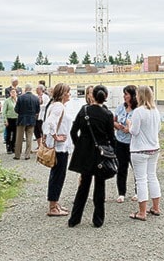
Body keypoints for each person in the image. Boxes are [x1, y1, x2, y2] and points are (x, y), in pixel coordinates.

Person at [68, 85, 115, 228]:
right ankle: (98, 219)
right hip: (100, 154)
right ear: (105, 97)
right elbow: (111, 138)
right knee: (100, 186)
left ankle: (74, 219)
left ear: (93, 96)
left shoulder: (84, 110)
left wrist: (80, 145)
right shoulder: (107, 114)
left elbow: (73, 131)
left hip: (85, 153)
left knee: (83, 187)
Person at [128, 85, 162, 221]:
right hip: (154, 148)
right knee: (152, 177)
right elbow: (158, 128)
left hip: (139, 149)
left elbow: (134, 131)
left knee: (141, 180)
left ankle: (142, 212)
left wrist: (129, 124)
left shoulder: (138, 112)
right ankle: (156, 207)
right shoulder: (156, 111)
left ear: (140, 96)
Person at [44, 82, 73, 217]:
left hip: (60, 145)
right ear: (63, 94)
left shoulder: (56, 105)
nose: (70, 94)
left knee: (57, 174)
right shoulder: (59, 107)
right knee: (58, 175)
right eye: (68, 91)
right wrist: (55, 135)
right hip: (59, 147)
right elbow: (50, 122)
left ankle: (55, 203)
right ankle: (53, 206)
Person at [113, 85, 137, 202]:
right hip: (120, 141)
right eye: (124, 94)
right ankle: (121, 192)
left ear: (132, 96)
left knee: (136, 168)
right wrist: (117, 125)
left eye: (126, 94)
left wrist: (130, 129)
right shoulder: (120, 108)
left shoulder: (138, 110)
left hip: (133, 143)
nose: (124, 96)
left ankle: (138, 192)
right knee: (121, 167)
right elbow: (114, 120)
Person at [14, 83, 39, 160]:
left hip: (22, 119)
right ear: (31, 89)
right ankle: (27, 155)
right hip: (31, 119)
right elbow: (38, 110)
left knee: (19, 138)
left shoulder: (20, 98)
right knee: (29, 138)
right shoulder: (36, 98)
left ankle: (17, 155)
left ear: (25, 89)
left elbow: (16, 109)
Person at [4, 77, 23, 145]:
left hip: (17, 117)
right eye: (15, 81)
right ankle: (8, 145)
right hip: (10, 116)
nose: (17, 82)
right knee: (8, 132)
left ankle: (14, 145)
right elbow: (4, 110)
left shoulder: (19, 89)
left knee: (16, 132)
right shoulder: (7, 90)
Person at [2, 88, 18, 154]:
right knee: (8, 134)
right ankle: (8, 147)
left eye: (14, 92)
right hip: (9, 118)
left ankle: (13, 146)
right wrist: (5, 120)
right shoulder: (7, 101)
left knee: (15, 134)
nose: (13, 94)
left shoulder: (18, 100)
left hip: (16, 118)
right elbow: (4, 111)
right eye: (12, 92)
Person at [34, 84, 50, 150]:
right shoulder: (35, 97)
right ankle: (39, 145)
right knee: (36, 131)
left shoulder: (46, 97)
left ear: (40, 89)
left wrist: (39, 106)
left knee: (42, 130)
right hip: (35, 116)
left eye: (37, 89)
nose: (36, 90)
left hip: (42, 116)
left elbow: (47, 105)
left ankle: (44, 145)